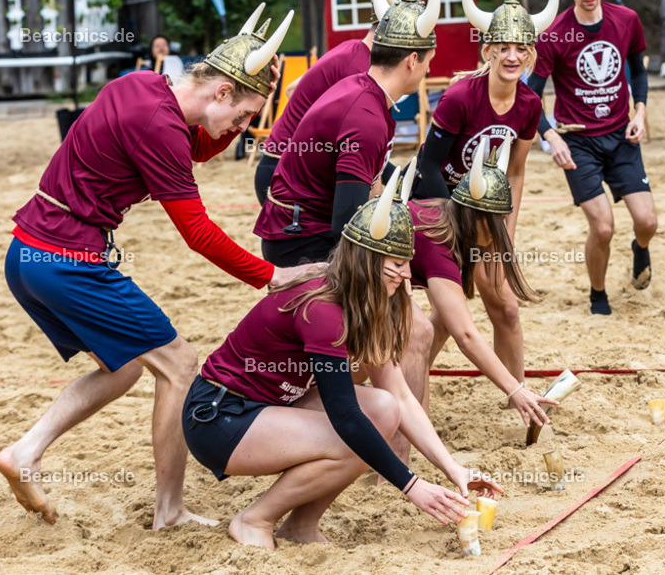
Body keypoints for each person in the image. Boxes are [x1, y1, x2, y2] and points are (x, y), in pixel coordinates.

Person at [0, 5, 316, 529]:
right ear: (220, 92)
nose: (242, 127)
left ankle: (26, 450)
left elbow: (198, 147)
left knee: (121, 367)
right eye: (242, 115)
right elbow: (197, 233)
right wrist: (270, 275)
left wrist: (238, 114)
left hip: (29, 252)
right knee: (179, 363)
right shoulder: (162, 127)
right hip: (65, 258)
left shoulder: (140, 85)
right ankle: (169, 510)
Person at [183, 168, 502, 550]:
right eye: (395, 262)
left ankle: (300, 525)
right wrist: (412, 486)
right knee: (355, 433)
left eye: (407, 261)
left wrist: (455, 470)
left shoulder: (374, 300)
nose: (405, 274)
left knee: (384, 409)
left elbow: (399, 396)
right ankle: (256, 518)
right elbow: (346, 416)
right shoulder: (323, 307)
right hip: (221, 415)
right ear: (363, 257)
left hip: (273, 401)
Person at [412, 0, 558, 381]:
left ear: (530, 55)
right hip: (439, 205)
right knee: (444, 316)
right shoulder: (459, 97)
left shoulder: (529, 104)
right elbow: (427, 166)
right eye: (503, 48)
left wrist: (504, 231)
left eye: (521, 49)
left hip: (485, 216)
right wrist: (453, 228)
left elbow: (515, 171)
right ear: (488, 51)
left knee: (506, 308)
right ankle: (407, 388)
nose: (512, 56)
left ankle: (520, 398)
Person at [253, 0, 440, 267]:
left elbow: (293, 90)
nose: (430, 70)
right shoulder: (362, 79)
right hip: (287, 181)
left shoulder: (360, 66)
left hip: (299, 168)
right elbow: (349, 223)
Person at [396, 141, 558, 462]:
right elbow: (466, 335)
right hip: (356, 286)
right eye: (495, 223)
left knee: (426, 333)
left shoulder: (446, 214)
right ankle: (397, 463)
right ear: (478, 218)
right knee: (413, 341)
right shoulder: (439, 241)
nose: (498, 234)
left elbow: (454, 319)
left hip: (369, 275)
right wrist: (515, 389)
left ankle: (408, 433)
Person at [537, 0, 657, 315]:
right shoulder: (554, 35)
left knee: (648, 223)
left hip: (622, 136)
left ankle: (640, 251)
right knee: (603, 226)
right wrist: (550, 136)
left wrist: (640, 111)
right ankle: (598, 293)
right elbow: (528, 95)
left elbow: (637, 70)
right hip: (578, 142)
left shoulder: (626, 19)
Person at [254, 0, 413, 204]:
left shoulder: (353, 50)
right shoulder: (362, 65)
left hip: (285, 165)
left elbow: (293, 89)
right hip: (285, 171)